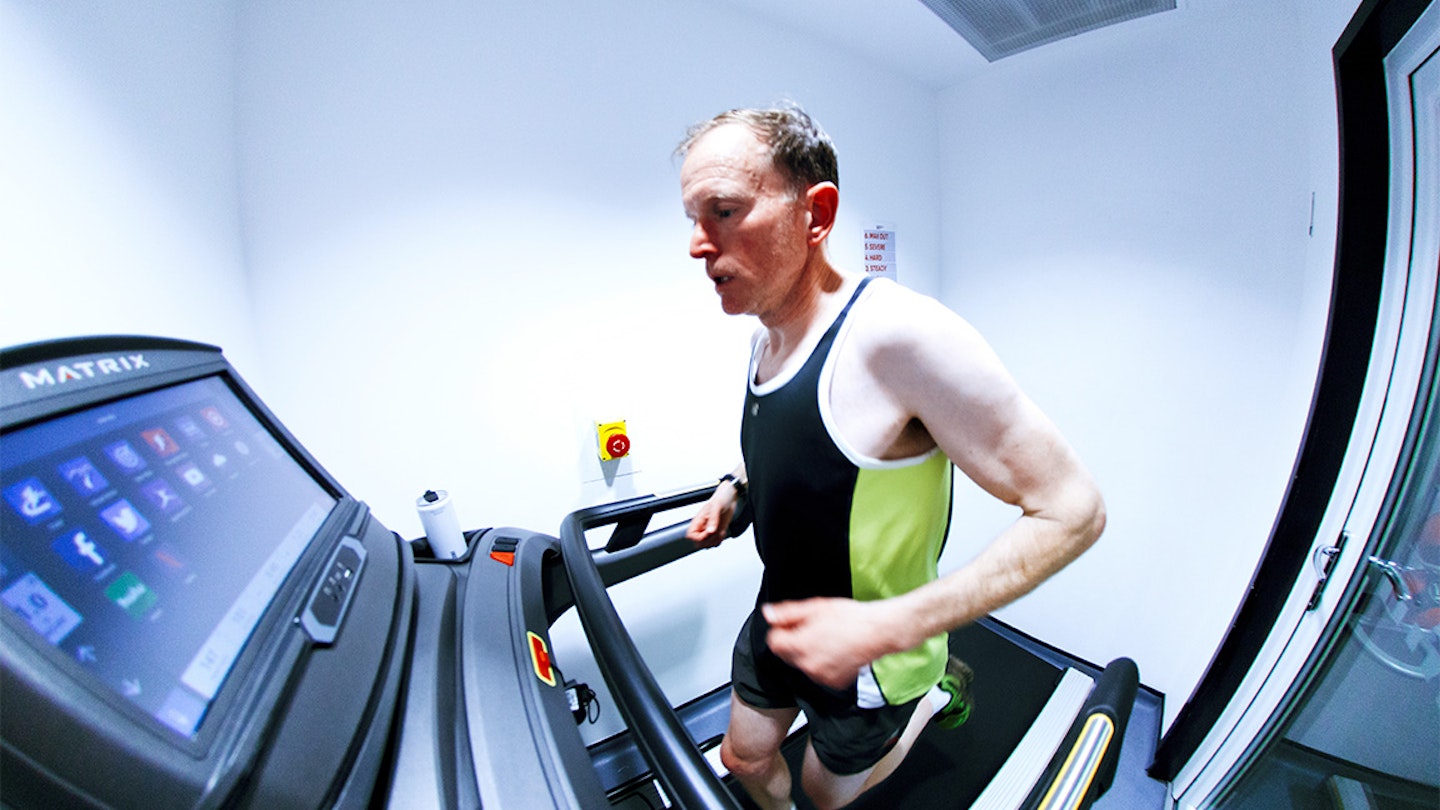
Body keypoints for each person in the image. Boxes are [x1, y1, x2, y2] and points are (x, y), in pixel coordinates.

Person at [680, 104, 1106, 810]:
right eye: (692, 218)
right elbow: (814, 457)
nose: (698, 244)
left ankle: (931, 697)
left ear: (815, 216)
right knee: (744, 759)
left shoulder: (899, 338)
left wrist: (896, 624)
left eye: (723, 211)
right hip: (780, 612)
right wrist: (737, 487)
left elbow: (1073, 510)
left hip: (876, 646)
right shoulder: (765, 340)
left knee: (826, 794)